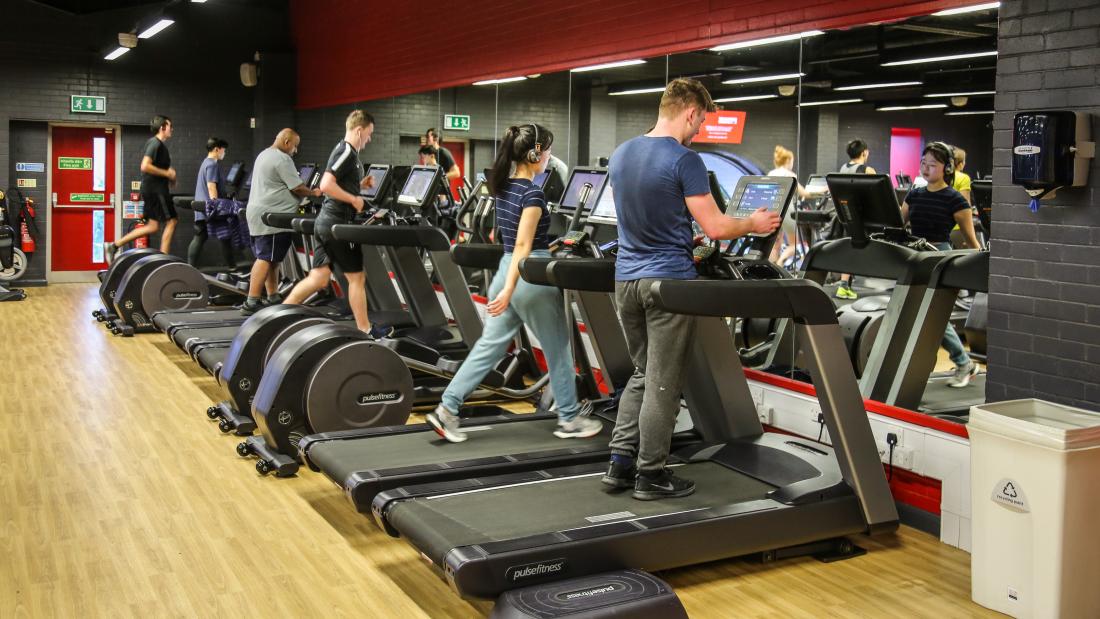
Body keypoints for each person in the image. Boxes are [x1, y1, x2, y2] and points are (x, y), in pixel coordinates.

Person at [601, 78, 780, 500]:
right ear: (689, 111)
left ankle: (620, 463)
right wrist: (753, 224)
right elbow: (717, 226)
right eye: (699, 120)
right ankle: (651, 474)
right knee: (664, 382)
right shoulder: (685, 160)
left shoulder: (622, 153)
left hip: (625, 280)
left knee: (644, 374)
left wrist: (682, 237)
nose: (698, 130)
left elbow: (645, 216)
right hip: (668, 284)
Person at [425, 123, 602, 444]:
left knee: (487, 350)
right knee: (560, 350)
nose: (549, 156)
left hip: (510, 267)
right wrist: (510, 289)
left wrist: (549, 247)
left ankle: (447, 409)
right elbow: (523, 246)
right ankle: (570, 419)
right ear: (536, 154)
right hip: (527, 276)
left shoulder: (504, 186)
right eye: (547, 150)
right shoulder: (533, 193)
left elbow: (518, 241)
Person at [284, 111, 391, 338]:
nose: (369, 139)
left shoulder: (344, 151)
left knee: (318, 278)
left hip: (327, 222)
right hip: (337, 225)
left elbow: (336, 184)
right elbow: (325, 184)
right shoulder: (347, 152)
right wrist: (354, 199)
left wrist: (359, 185)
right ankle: (366, 330)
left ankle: (278, 316)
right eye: (369, 134)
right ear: (359, 130)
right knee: (357, 278)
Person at [900, 141, 982, 388]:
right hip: (916, 254)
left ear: (946, 168)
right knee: (916, 314)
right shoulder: (914, 194)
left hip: (940, 256)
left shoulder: (955, 200)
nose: (926, 168)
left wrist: (973, 272)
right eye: (923, 163)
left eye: (932, 164)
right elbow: (896, 224)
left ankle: (963, 362)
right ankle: (948, 362)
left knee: (933, 316)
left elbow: (971, 241)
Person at [240, 129, 321, 315]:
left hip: (259, 213)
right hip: (274, 217)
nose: (295, 150)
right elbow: (297, 188)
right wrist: (315, 193)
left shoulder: (263, 154)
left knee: (272, 259)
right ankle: (251, 301)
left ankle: (273, 296)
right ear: (286, 142)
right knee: (265, 258)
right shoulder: (283, 159)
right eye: (295, 145)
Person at [104, 115, 177, 262]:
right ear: (162, 127)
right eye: (170, 126)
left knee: (153, 226)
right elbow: (145, 166)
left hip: (152, 189)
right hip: (156, 190)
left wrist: (169, 177)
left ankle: (114, 246)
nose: (172, 129)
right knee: (172, 221)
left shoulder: (159, 146)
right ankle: (162, 262)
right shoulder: (155, 144)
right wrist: (167, 173)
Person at [834, 138, 878, 300]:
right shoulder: (867, 170)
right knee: (855, 249)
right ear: (864, 152)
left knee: (853, 248)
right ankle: (844, 286)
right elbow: (878, 193)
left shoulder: (843, 167)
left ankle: (846, 285)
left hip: (845, 214)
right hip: (859, 216)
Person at [187, 137, 235, 269]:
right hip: (209, 209)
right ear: (216, 149)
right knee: (225, 237)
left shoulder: (205, 162)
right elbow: (211, 186)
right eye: (223, 150)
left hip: (203, 209)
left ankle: (190, 267)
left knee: (201, 236)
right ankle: (233, 268)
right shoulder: (212, 164)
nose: (224, 153)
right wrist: (216, 206)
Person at [766, 145, 814, 268]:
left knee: (775, 244)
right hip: (787, 211)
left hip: (772, 210)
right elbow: (805, 194)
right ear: (788, 160)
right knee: (794, 244)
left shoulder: (771, 173)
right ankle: (781, 262)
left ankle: (772, 269)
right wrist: (823, 190)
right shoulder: (789, 174)